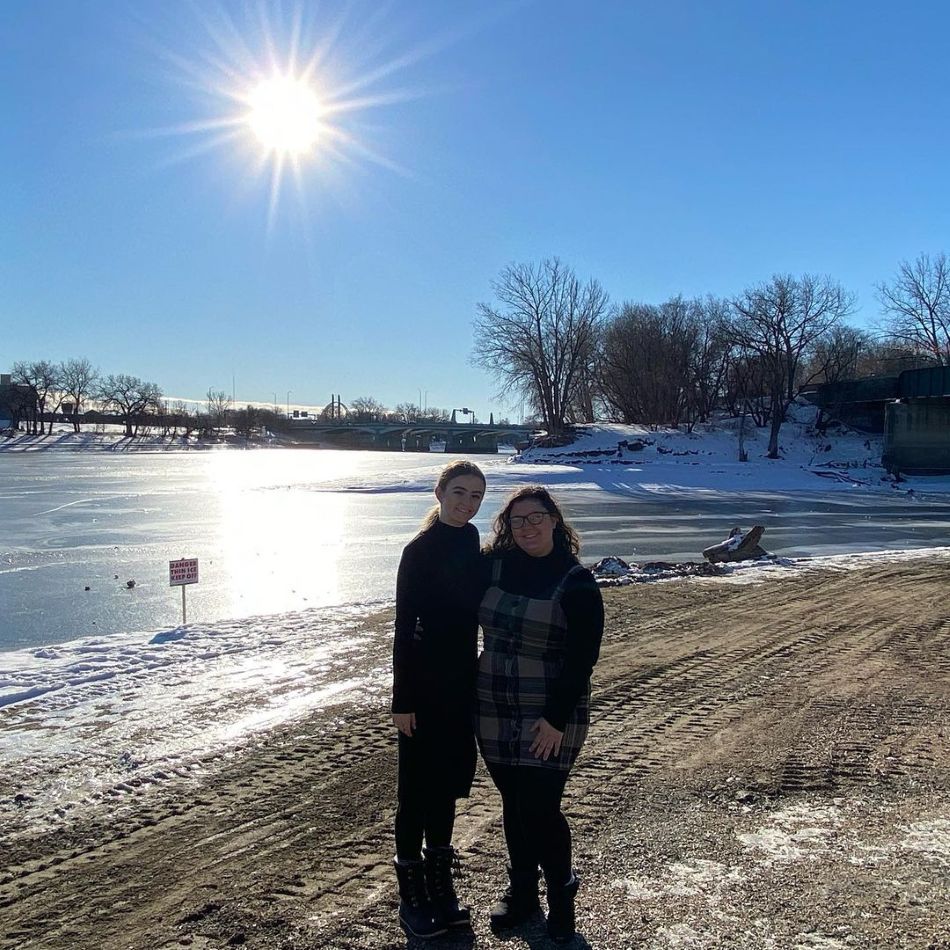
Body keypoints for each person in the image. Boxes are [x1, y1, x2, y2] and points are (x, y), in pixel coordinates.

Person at [475, 486, 604, 943]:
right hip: (492, 704)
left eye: (536, 517)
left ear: (554, 520)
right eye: (517, 520)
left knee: (541, 805)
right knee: (514, 801)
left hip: (551, 710)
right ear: (506, 527)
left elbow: (582, 658)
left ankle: (562, 897)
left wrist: (554, 718)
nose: (527, 527)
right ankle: (523, 893)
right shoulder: (494, 567)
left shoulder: (576, 582)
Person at [391, 460, 487, 938]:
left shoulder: (471, 543)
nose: (466, 503)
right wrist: (402, 699)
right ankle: (411, 892)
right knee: (415, 789)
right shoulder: (419, 550)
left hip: (460, 685)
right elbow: (404, 629)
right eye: (459, 492)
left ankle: (439, 881)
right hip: (423, 688)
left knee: (448, 783)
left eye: (475, 497)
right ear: (439, 492)